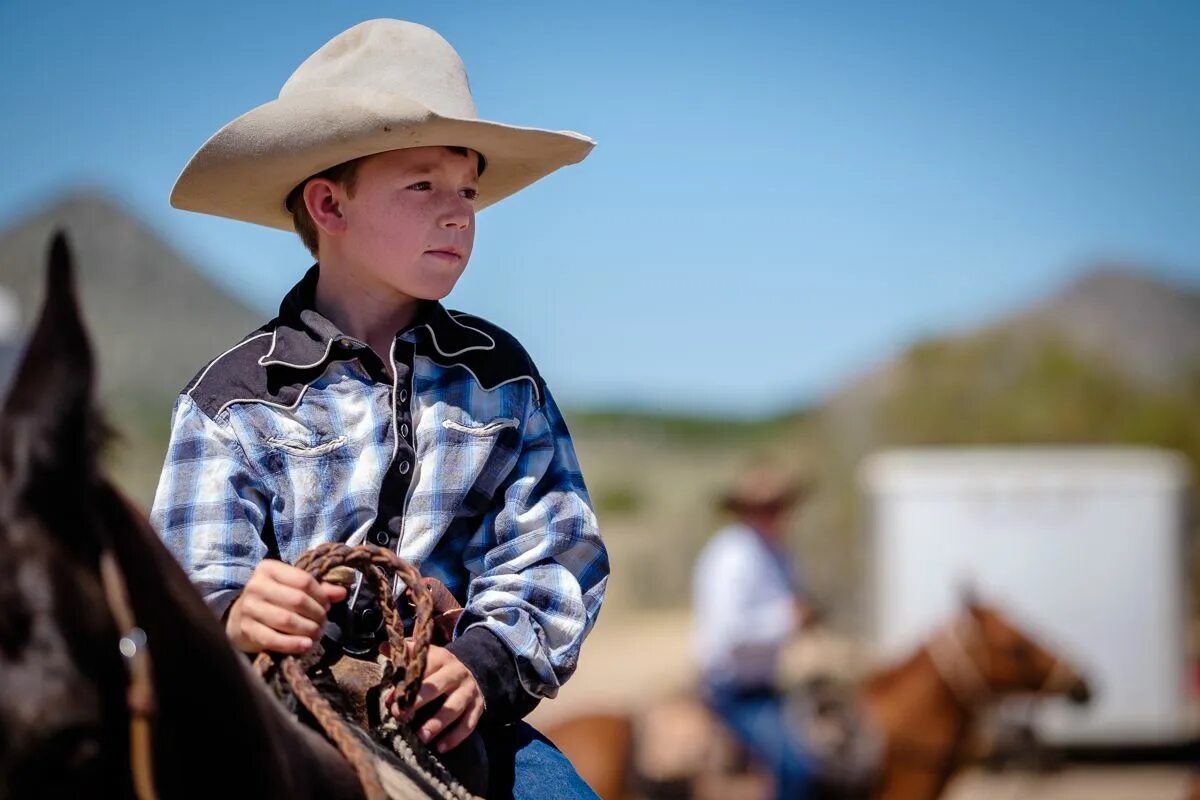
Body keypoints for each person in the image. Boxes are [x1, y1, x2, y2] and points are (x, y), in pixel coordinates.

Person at [150, 19, 609, 799]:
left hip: (454, 715)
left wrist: (481, 666)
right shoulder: (231, 402)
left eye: (468, 190)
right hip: (280, 708)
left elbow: (559, 551)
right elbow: (184, 581)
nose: (459, 213)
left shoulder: (502, 381)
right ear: (329, 204)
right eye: (423, 185)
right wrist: (233, 612)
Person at [691, 463, 817, 799]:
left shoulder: (777, 554)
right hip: (732, 690)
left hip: (766, 686)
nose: (776, 514)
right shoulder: (731, 555)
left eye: (779, 505)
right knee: (795, 767)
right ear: (746, 511)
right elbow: (731, 632)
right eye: (766, 507)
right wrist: (790, 620)